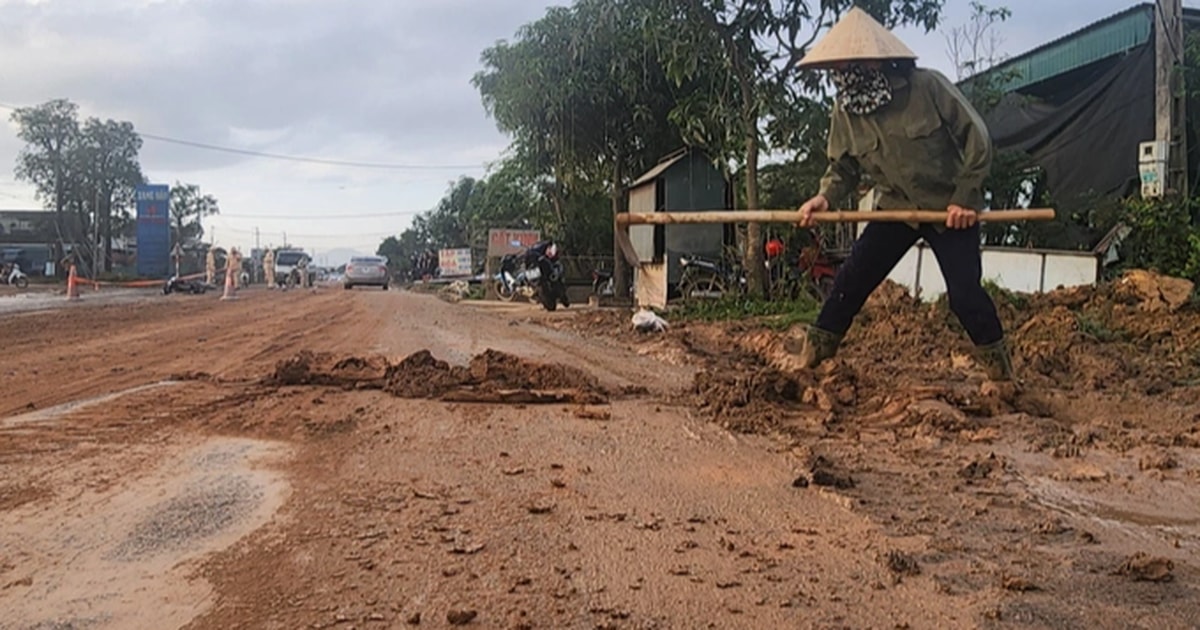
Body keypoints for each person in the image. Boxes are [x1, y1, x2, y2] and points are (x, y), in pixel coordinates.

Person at [792, 7, 1013, 387]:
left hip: (948, 210)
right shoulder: (844, 111)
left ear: (872, 61)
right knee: (851, 281)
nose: (841, 76)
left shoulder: (928, 87)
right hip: (895, 210)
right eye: (838, 70)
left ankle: (1002, 374)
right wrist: (824, 198)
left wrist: (965, 197)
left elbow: (977, 139)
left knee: (964, 295)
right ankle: (811, 360)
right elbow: (843, 169)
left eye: (848, 66)